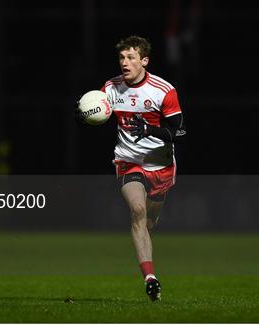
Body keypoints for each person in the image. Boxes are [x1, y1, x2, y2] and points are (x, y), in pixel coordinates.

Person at [79, 35, 186, 301]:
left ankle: (150, 225)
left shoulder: (163, 90)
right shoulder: (111, 87)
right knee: (137, 210)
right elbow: (96, 108)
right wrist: (85, 114)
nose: (124, 63)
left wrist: (150, 129)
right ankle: (150, 278)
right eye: (121, 58)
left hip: (160, 164)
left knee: (150, 221)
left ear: (144, 61)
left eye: (130, 57)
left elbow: (181, 131)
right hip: (128, 161)